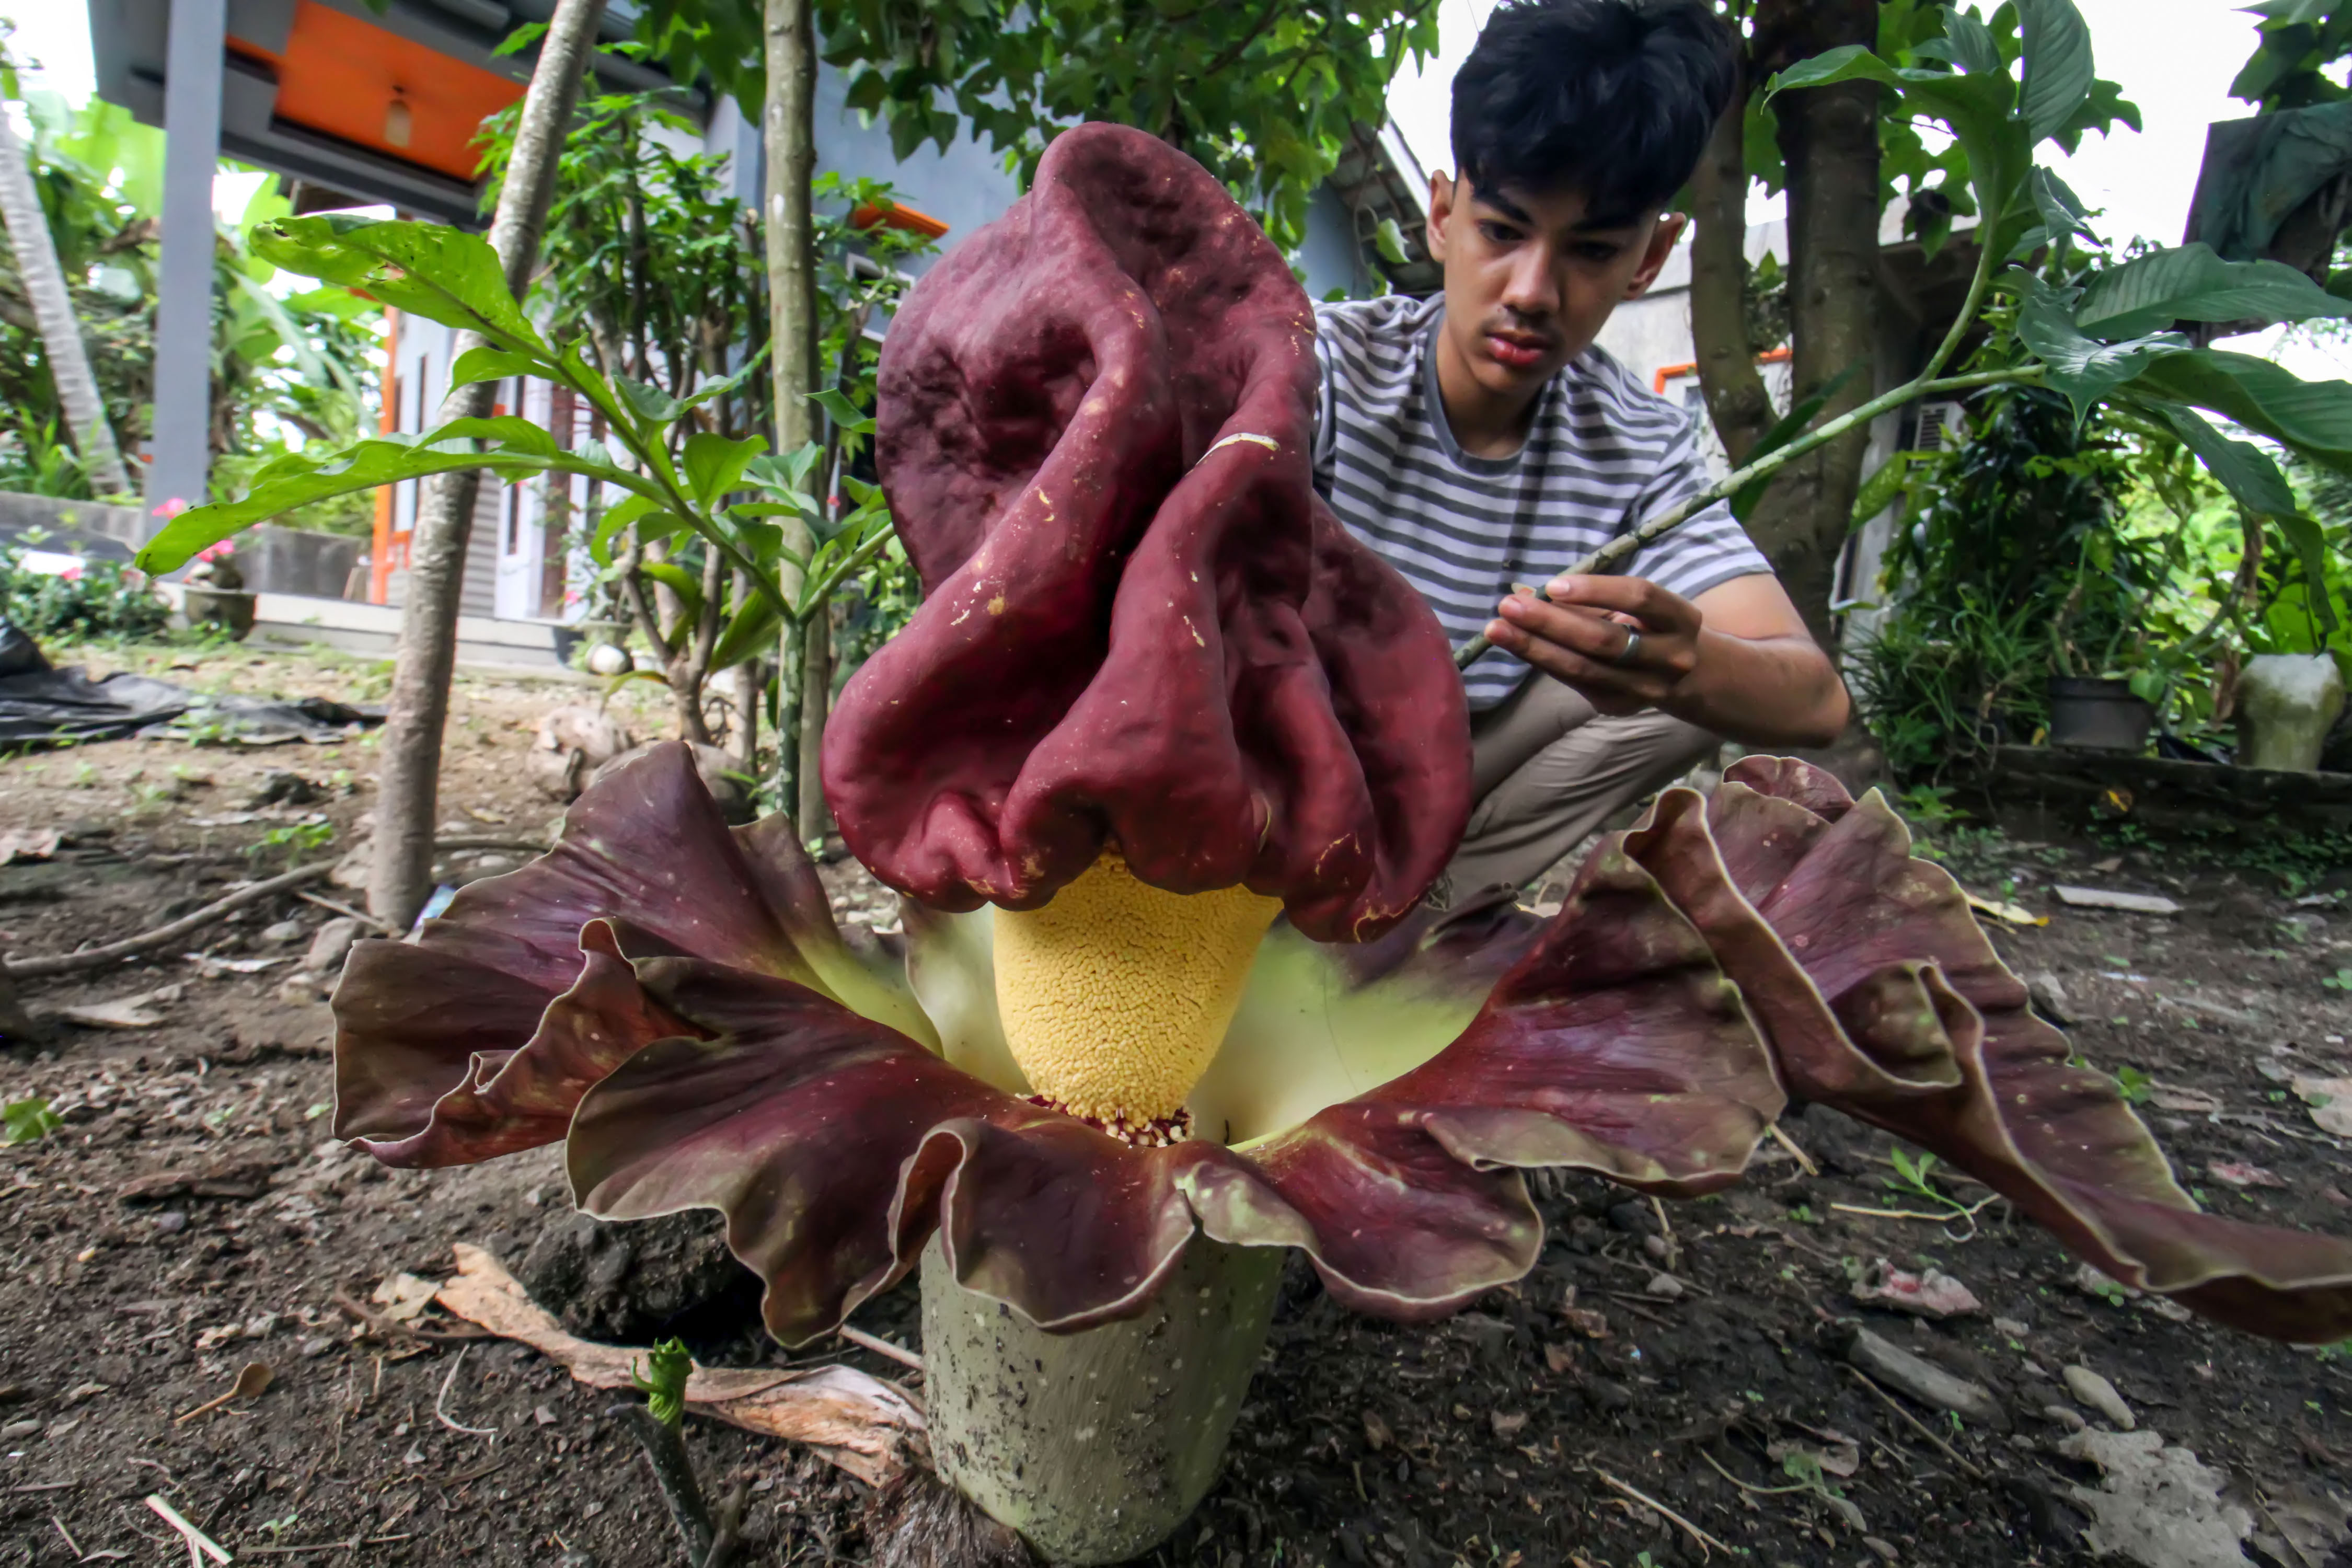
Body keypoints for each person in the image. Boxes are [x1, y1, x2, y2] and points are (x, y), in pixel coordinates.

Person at [1312, 0, 1850, 900]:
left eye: (1590, 251)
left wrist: (1679, 662)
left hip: (1446, 788)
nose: (1532, 291)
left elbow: (1815, 700)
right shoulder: (1320, 367)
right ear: (1443, 214)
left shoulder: (1638, 446)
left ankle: (1408, 925)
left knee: (1685, 690)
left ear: (1651, 256)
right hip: (1272, 762)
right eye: (1502, 231)